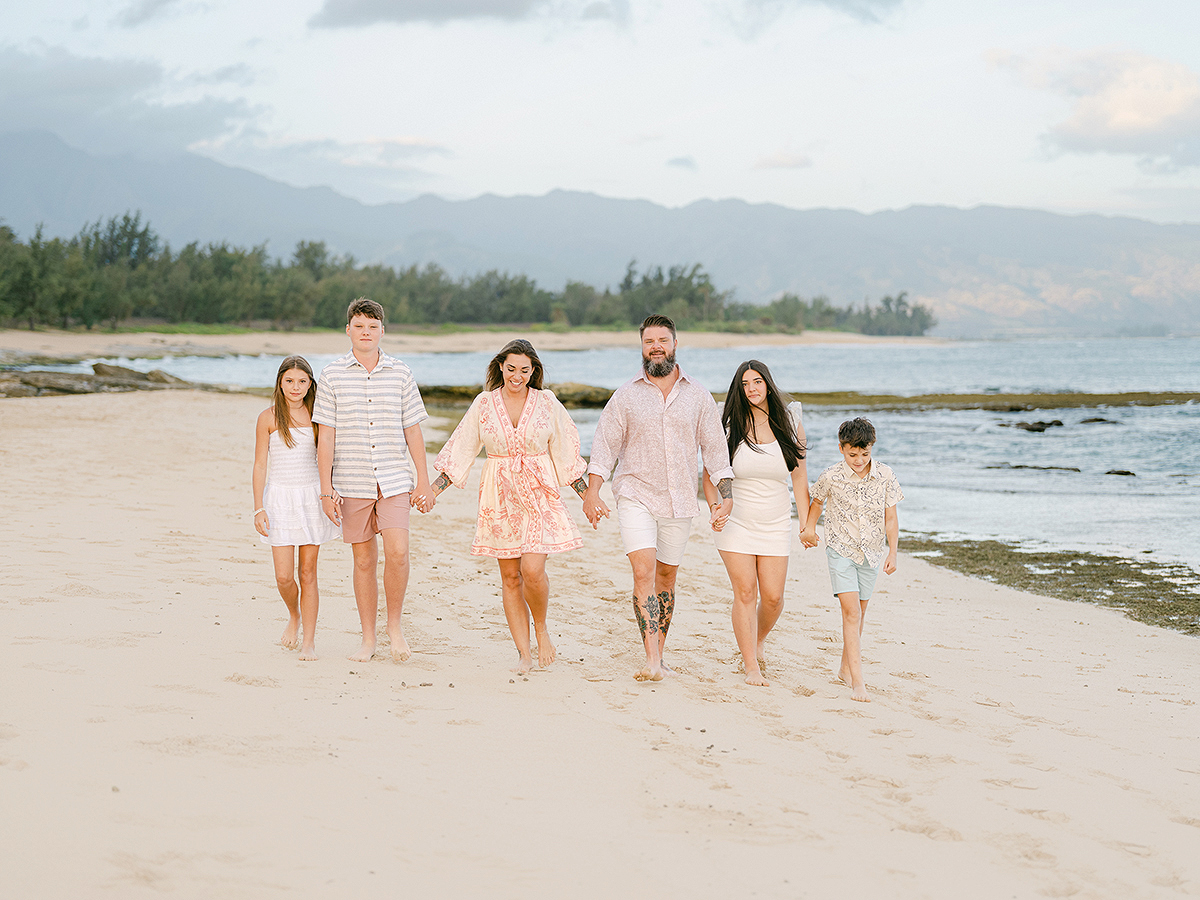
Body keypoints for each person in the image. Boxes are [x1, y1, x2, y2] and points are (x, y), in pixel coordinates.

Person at [429, 339, 607, 674]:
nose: (517, 376)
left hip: (539, 493)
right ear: (500, 367)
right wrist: (433, 490)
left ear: (533, 371)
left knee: (533, 570)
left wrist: (589, 496)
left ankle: (541, 628)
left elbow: (566, 455)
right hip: (500, 494)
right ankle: (524, 654)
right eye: (511, 368)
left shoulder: (547, 402)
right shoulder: (484, 404)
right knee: (511, 577)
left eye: (525, 370)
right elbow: (461, 449)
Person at [583, 314, 734, 682]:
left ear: (675, 344)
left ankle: (660, 655)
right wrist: (592, 491)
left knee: (667, 576)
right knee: (643, 571)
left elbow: (715, 453)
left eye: (662, 340)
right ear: (642, 346)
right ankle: (651, 659)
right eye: (649, 341)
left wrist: (725, 497)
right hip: (635, 493)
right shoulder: (626, 396)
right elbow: (605, 447)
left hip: (680, 501)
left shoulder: (697, 395)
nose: (656, 347)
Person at [314, 297, 433, 663]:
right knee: (363, 561)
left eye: (373, 327)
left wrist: (423, 481)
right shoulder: (331, 375)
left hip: (395, 480)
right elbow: (326, 437)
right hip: (351, 482)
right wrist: (325, 490)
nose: (366, 333)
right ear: (348, 329)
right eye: (360, 326)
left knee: (398, 553)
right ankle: (368, 639)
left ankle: (394, 627)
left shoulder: (401, 372)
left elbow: (412, 430)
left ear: (383, 331)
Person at [703, 360, 809, 686]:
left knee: (774, 598)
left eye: (758, 382)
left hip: (776, 520)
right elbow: (710, 472)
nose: (752, 389)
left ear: (768, 384)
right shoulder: (728, 423)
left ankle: (756, 639)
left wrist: (806, 524)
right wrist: (715, 506)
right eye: (746, 383)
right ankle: (751, 665)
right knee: (746, 592)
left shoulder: (789, 421)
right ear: (740, 387)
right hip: (736, 520)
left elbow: (800, 477)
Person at [799, 417, 902, 702]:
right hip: (840, 550)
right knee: (851, 613)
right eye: (852, 454)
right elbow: (816, 501)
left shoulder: (885, 475)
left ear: (872, 448)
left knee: (860, 613)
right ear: (842, 448)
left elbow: (891, 518)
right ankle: (858, 682)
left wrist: (892, 551)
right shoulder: (831, 476)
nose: (859, 460)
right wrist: (808, 528)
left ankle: (845, 668)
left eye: (865, 453)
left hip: (871, 553)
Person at [252, 355, 342, 660]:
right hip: (278, 500)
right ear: (280, 382)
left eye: (302, 381)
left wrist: (332, 490)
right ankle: (294, 614)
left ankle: (309, 641)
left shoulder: (318, 415)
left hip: (311, 498)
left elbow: (329, 456)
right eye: (289, 381)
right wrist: (258, 508)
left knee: (307, 572)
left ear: (310, 384)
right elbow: (260, 464)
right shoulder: (267, 418)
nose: (296, 387)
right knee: (283, 577)